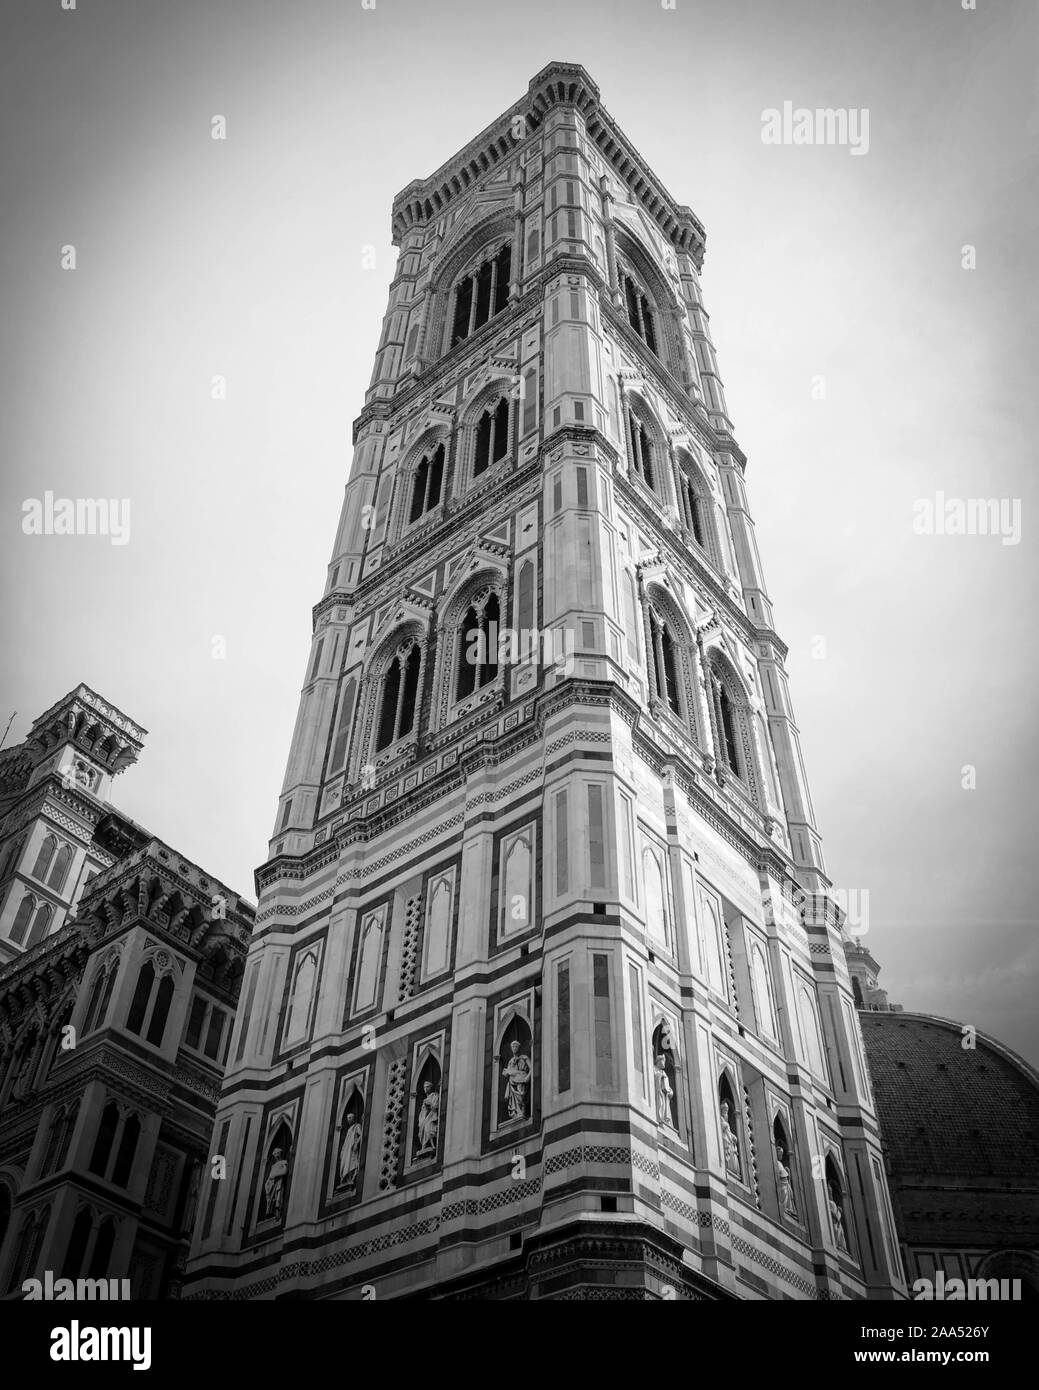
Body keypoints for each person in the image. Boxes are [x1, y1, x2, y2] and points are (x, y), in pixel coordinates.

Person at [501, 1040, 531, 1121]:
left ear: (519, 1048)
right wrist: (506, 1072)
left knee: (522, 1095)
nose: (514, 1048)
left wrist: (528, 1077)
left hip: (522, 1079)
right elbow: (508, 1072)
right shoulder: (511, 1061)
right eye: (513, 1047)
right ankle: (516, 1113)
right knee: (514, 1098)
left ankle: (522, 1112)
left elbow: (531, 1068)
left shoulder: (524, 1058)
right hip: (513, 1081)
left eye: (516, 1046)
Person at [339, 1110, 363, 1186]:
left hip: (352, 1149)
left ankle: (350, 1179)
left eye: (350, 1118)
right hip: (347, 1150)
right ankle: (346, 1180)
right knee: (345, 1164)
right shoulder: (349, 1129)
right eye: (347, 1118)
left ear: (353, 1119)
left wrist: (356, 1144)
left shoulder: (357, 1126)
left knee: (350, 1163)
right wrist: (342, 1151)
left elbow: (361, 1135)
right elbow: (346, 1141)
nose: (348, 1119)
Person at [264, 1147, 288, 1219]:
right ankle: (269, 1212)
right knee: (269, 1200)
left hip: (278, 1182)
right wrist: (267, 1182)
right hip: (271, 1183)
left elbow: (284, 1171)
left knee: (277, 1197)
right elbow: (270, 1175)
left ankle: (277, 1212)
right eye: (275, 1153)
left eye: (277, 1153)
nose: (276, 1155)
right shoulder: (273, 1166)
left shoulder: (284, 1162)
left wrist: (275, 1176)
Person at [417, 1081, 440, 1154]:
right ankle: (423, 1147)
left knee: (428, 1129)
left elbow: (435, 1106)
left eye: (428, 1087)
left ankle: (432, 1146)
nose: (426, 1089)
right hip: (424, 1117)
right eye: (424, 1087)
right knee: (422, 1130)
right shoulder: (425, 1099)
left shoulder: (434, 1095)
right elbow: (423, 1111)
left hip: (431, 1116)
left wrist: (429, 1103)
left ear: (431, 1088)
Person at [720, 1100, 740, 1177]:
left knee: (733, 1155)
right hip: (726, 1140)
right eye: (724, 1110)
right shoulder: (721, 1118)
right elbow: (722, 1126)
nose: (726, 1111)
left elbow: (728, 1131)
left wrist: (732, 1136)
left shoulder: (726, 1121)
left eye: (727, 1110)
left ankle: (733, 1171)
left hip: (730, 1141)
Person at [654, 1054, 675, 1128]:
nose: (664, 1063)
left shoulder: (664, 1073)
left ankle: (664, 1120)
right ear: (659, 1061)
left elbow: (667, 1085)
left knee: (664, 1108)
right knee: (660, 1104)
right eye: (663, 1061)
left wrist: (670, 1091)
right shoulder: (654, 1069)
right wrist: (659, 1076)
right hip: (658, 1093)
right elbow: (654, 1077)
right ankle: (659, 1119)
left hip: (664, 1096)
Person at [775, 1143, 796, 1215]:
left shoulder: (780, 1163)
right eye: (780, 1153)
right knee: (784, 1196)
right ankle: (785, 1208)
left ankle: (788, 1209)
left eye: (782, 1153)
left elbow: (784, 1173)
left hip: (785, 1183)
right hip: (782, 1184)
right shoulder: (776, 1163)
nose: (781, 1155)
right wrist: (786, 1172)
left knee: (788, 1197)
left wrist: (787, 1171)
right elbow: (780, 1173)